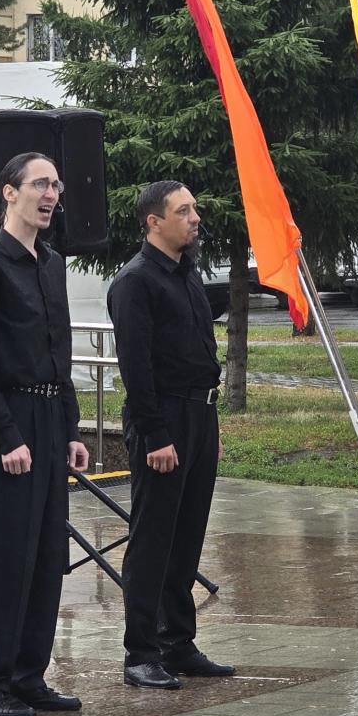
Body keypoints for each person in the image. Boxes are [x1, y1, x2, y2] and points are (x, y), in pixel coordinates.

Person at [0, 151, 90, 716]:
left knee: (47, 550)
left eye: (56, 185)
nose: (51, 194)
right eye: (39, 184)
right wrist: (7, 436)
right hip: (13, 419)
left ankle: (28, 675)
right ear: (9, 193)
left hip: (50, 418)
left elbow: (60, 352)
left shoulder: (51, 263)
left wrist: (71, 428)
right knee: (9, 553)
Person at [109, 181, 233, 689]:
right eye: (183, 211)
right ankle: (141, 652)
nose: (195, 218)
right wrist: (156, 433)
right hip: (162, 418)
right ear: (153, 222)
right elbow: (136, 368)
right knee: (154, 538)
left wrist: (209, 425)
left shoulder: (187, 273)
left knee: (188, 535)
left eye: (194, 208)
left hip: (199, 416)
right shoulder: (136, 282)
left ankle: (177, 641)